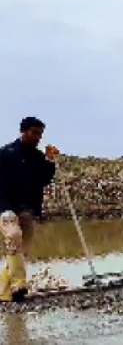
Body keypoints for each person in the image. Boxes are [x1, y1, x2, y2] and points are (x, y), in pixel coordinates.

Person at [0, 117, 59, 302]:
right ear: (23, 131)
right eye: (34, 133)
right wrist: (4, 208)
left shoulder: (37, 157)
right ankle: (20, 284)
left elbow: (44, 179)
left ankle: (3, 293)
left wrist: (50, 160)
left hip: (28, 209)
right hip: (7, 208)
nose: (38, 137)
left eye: (40, 134)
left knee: (19, 252)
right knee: (13, 237)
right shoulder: (5, 154)